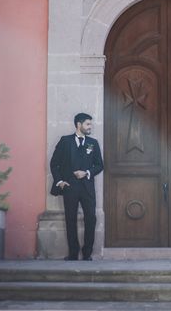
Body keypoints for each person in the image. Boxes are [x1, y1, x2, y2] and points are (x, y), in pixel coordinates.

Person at [50, 112, 104, 261]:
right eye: (87, 124)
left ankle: (87, 254)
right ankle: (73, 253)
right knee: (70, 219)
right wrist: (60, 181)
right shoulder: (65, 141)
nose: (90, 126)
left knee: (91, 219)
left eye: (90, 124)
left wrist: (87, 172)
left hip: (87, 188)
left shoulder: (93, 142)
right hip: (69, 187)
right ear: (78, 125)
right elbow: (54, 163)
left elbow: (100, 165)